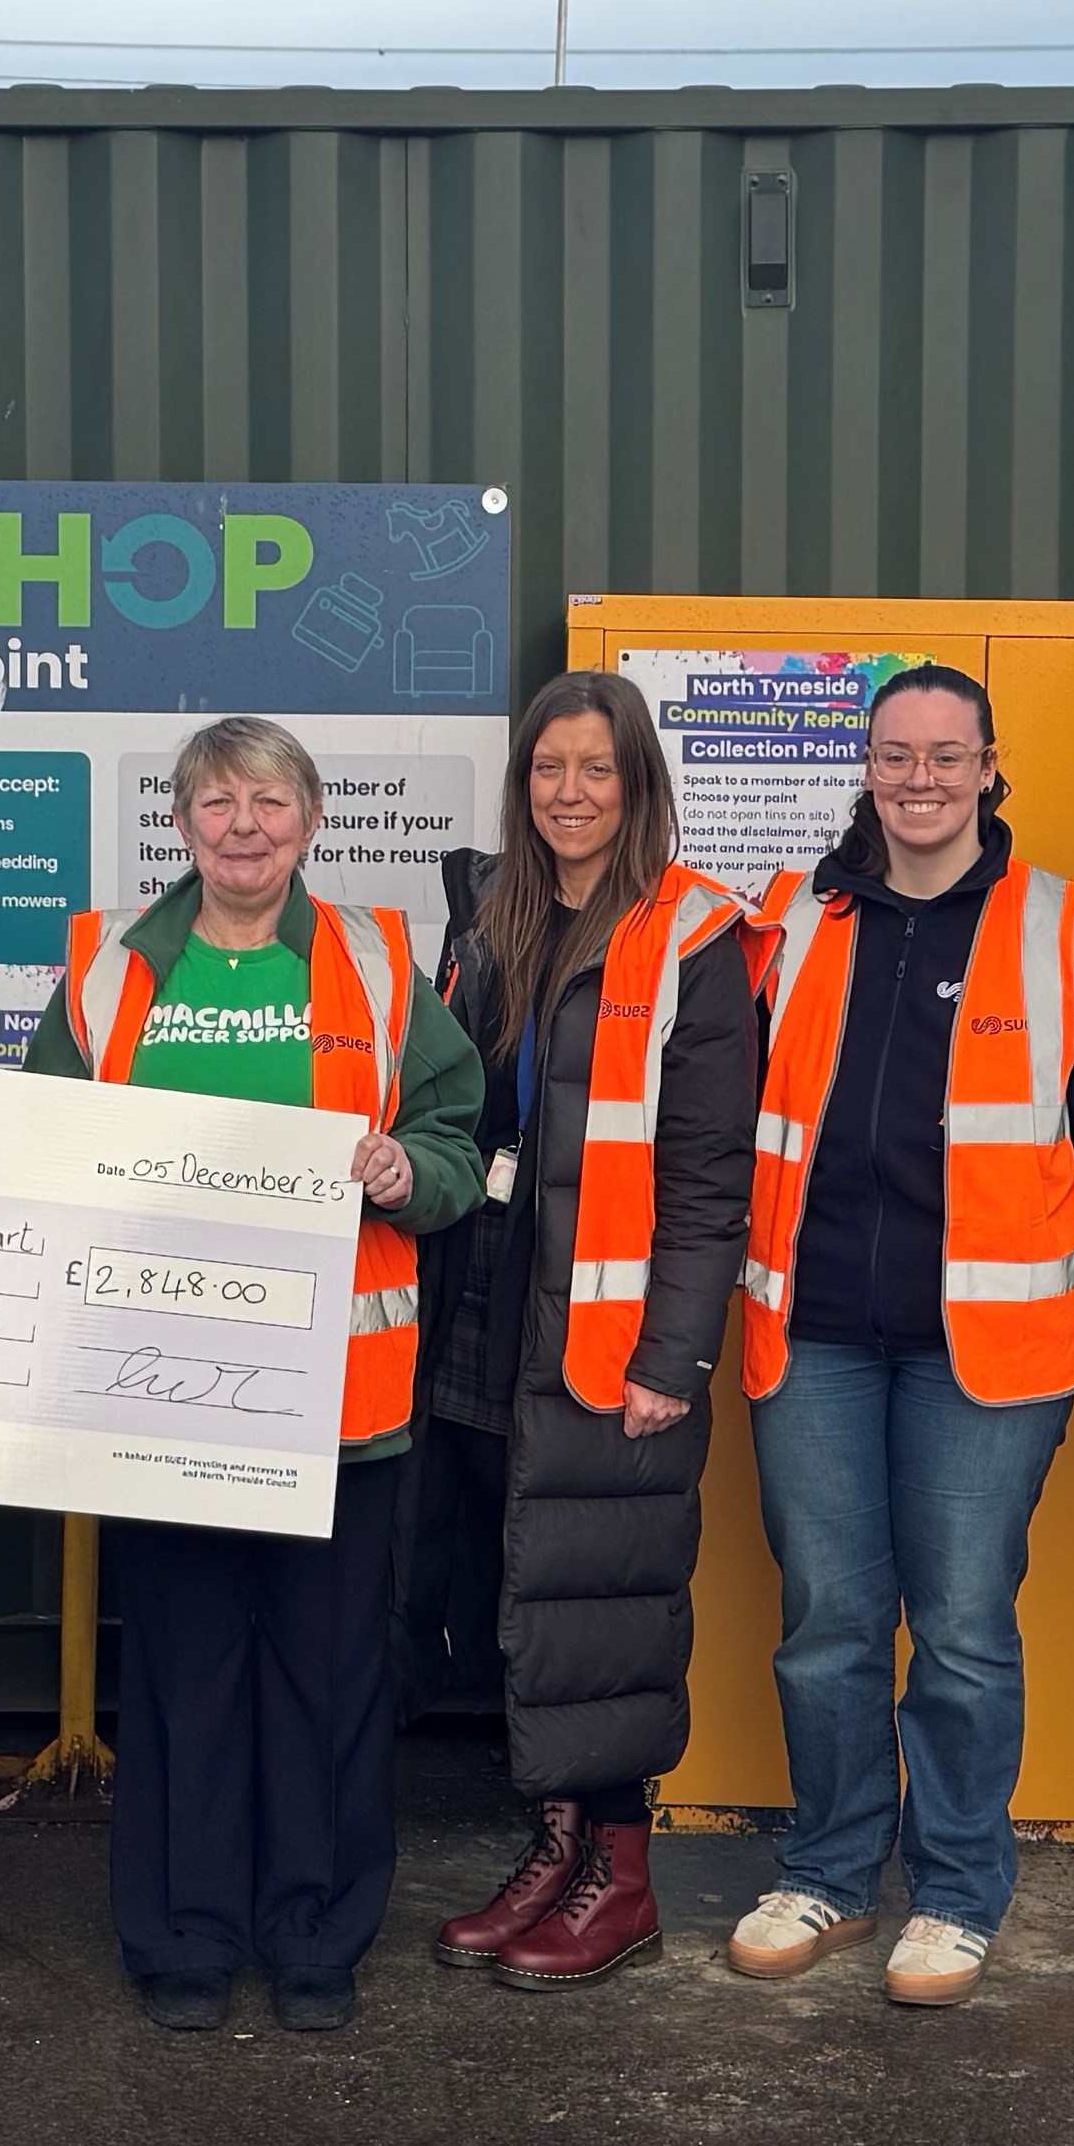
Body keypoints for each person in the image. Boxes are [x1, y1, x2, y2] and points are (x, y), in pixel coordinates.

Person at [27, 717, 486, 2033]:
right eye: (217, 801)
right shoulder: (108, 968)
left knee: (330, 1675)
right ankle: (181, 1933)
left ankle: (312, 1934)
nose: (243, 825)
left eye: (268, 802)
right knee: (183, 1671)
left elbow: (453, 1128)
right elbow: (44, 1145)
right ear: (180, 822)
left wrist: (413, 1171)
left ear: (310, 819)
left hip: (344, 1407)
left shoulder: (378, 961)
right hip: (160, 1399)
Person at [716, 664, 1074, 2008]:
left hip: (987, 1350)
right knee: (829, 1619)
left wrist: (1030, 1238)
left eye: (946, 757)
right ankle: (831, 1872)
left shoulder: (1058, 925)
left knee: (958, 1626)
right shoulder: (792, 919)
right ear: (868, 768)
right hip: (818, 1330)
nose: (920, 780)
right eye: (897, 756)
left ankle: (955, 1893)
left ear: (988, 767)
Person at [413, 672, 758, 1993]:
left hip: (608, 1327)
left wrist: (674, 1355)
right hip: (485, 1306)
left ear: (638, 787)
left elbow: (713, 1174)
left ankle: (624, 1879)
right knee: (524, 1587)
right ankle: (555, 1848)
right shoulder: (489, 920)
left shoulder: (691, 936)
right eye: (548, 768)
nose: (569, 792)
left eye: (596, 770)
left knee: (602, 1604)